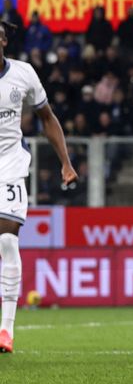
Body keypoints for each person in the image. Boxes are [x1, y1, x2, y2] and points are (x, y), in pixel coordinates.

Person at [0, 21, 78, 353]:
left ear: (3, 40)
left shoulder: (23, 74)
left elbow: (47, 117)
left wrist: (65, 162)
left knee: (7, 239)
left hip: (10, 166)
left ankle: (6, 330)